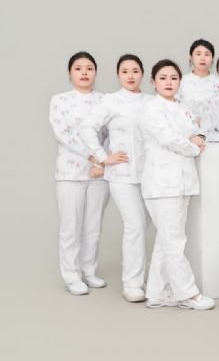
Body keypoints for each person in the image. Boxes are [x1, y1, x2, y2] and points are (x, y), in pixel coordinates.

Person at [140, 59, 214, 310]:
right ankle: (188, 293)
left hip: (183, 182)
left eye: (173, 78)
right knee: (174, 241)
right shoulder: (152, 109)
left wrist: (199, 137)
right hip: (162, 184)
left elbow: (198, 130)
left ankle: (157, 293)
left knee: (166, 240)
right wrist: (194, 146)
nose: (169, 82)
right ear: (153, 82)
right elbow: (169, 138)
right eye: (163, 78)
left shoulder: (183, 108)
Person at [79, 54, 153, 302]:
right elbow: (86, 128)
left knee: (145, 225)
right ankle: (132, 284)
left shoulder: (151, 102)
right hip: (121, 175)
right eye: (125, 71)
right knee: (135, 225)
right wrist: (103, 157)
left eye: (135, 71)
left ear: (142, 74)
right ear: (118, 75)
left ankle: (150, 275)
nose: (130, 76)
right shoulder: (110, 101)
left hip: (151, 175)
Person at [49, 51, 109, 295]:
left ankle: (89, 270)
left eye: (89, 68)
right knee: (70, 226)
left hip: (99, 173)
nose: (84, 72)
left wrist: (101, 162)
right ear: (69, 73)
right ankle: (71, 276)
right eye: (78, 68)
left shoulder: (105, 101)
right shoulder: (60, 100)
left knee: (93, 225)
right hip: (70, 172)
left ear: (95, 72)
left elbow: (111, 135)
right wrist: (92, 155)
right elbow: (63, 134)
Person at [178, 38, 219, 129]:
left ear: (212, 58)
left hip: (215, 131)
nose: (202, 58)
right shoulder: (182, 82)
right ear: (191, 57)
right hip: (187, 130)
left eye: (207, 54)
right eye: (198, 54)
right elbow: (175, 107)